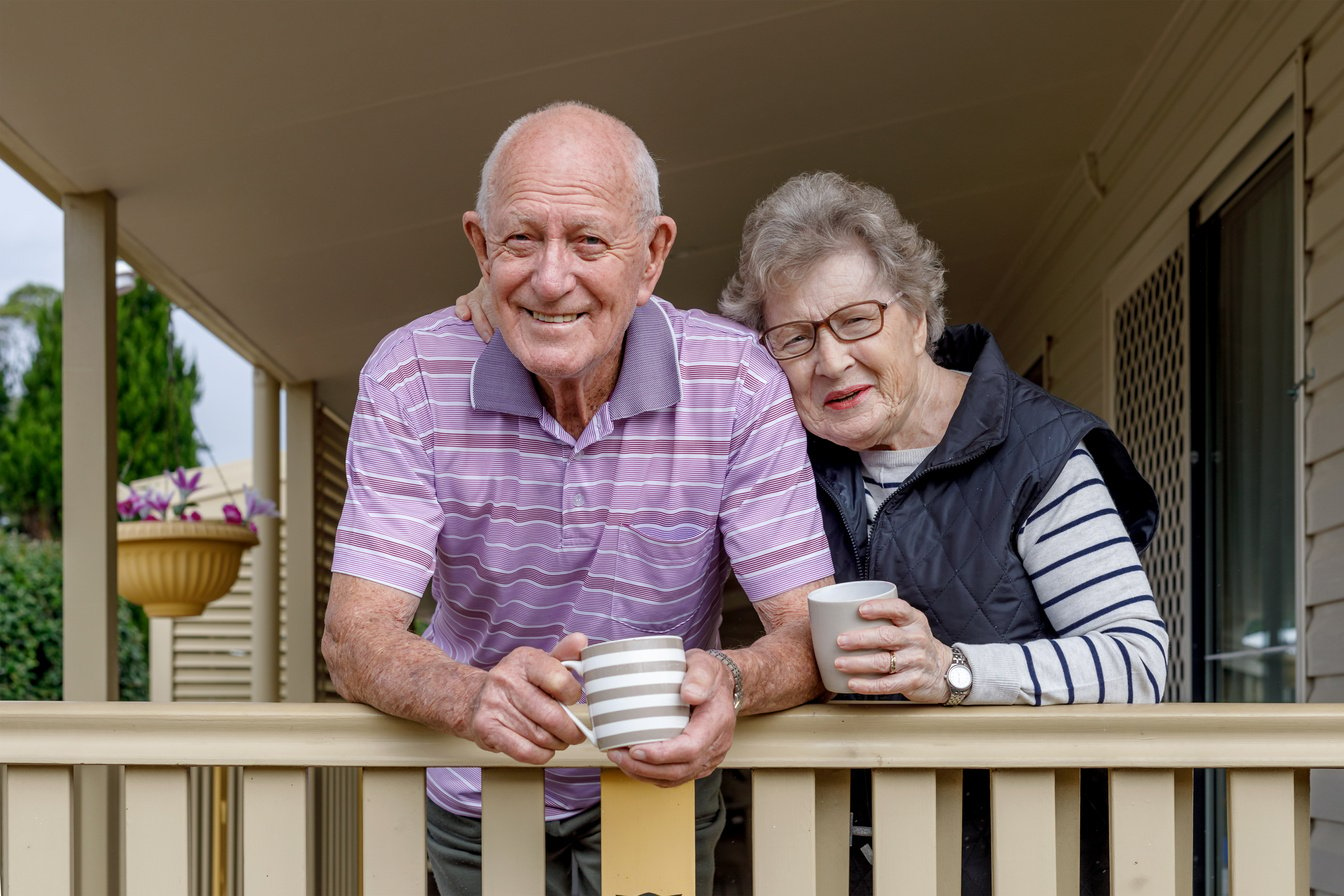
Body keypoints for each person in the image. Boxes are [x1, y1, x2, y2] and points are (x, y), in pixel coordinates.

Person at [321, 102, 834, 896]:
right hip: (478, 781)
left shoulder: (736, 383)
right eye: (521, 239)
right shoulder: (410, 376)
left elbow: (808, 630)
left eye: (589, 240)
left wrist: (729, 682)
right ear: (480, 246)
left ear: (653, 254)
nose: (551, 277)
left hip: (654, 780)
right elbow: (353, 639)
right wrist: (472, 695)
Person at [718, 171, 1169, 894]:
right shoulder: (781, 463)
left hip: (1026, 863)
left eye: (857, 320)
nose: (830, 361)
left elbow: (1138, 662)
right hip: (843, 862)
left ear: (919, 314)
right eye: (794, 338)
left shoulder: (1037, 451)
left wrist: (955, 673)